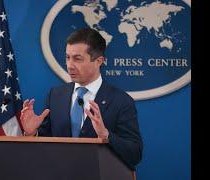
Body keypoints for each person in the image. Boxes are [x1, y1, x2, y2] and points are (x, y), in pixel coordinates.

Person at [20, 28, 143, 170]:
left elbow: (135, 154)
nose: (69, 65)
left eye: (77, 59)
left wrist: (106, 135)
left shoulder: (121, 101)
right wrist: (32, 133)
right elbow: (44, 145)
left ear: (98, 61)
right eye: (67, 57)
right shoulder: (55, 96)